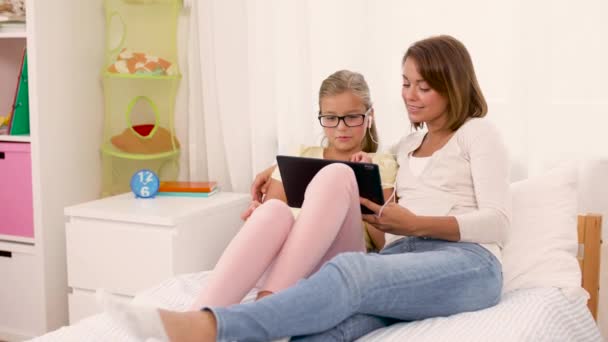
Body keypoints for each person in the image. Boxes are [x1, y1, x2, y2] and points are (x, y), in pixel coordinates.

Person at [104, 35, 510, 342]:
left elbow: (498, 223)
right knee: (324, 330)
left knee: (353, 272)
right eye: (405, 83)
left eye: (424, 86)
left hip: (468, 262)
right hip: (402, 258)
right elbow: (357, 179)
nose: (410, 96)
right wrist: (274, 169)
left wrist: (415, 223)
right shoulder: (405, 147)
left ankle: (208, 325)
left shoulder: (477, 133)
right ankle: (238, 322)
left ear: (452, 86)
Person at [187, 69, 397, 310]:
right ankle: (198, 318)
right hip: (282, 265)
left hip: (338, 261)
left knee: (338, 174)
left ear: (369, 116)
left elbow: (387, 245)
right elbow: (270, 215)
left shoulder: (383, 163)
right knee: (273, 210)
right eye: (330, 118)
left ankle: (266, 308)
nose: (341, 127)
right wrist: (257, 212)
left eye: (351, 117)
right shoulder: (300, 155)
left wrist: (363, 184)